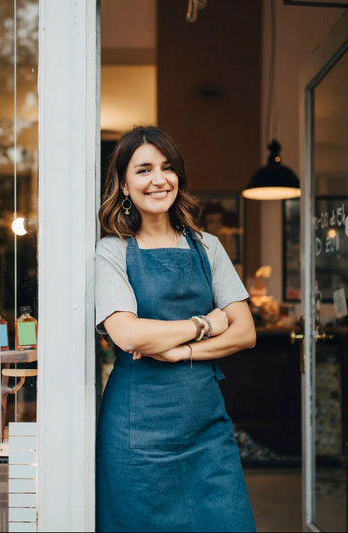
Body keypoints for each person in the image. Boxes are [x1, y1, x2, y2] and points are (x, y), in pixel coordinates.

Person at [95, 126, 257, 532]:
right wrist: (205, 324)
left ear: (178, 178)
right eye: (144, 170)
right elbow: (127, 335)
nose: (158, 180)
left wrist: (179, 351)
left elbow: (244, 332)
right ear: (125, 184)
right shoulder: (112, 250)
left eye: (167, 168)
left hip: (205, 425)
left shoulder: (207, 246)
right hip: (136, 429)